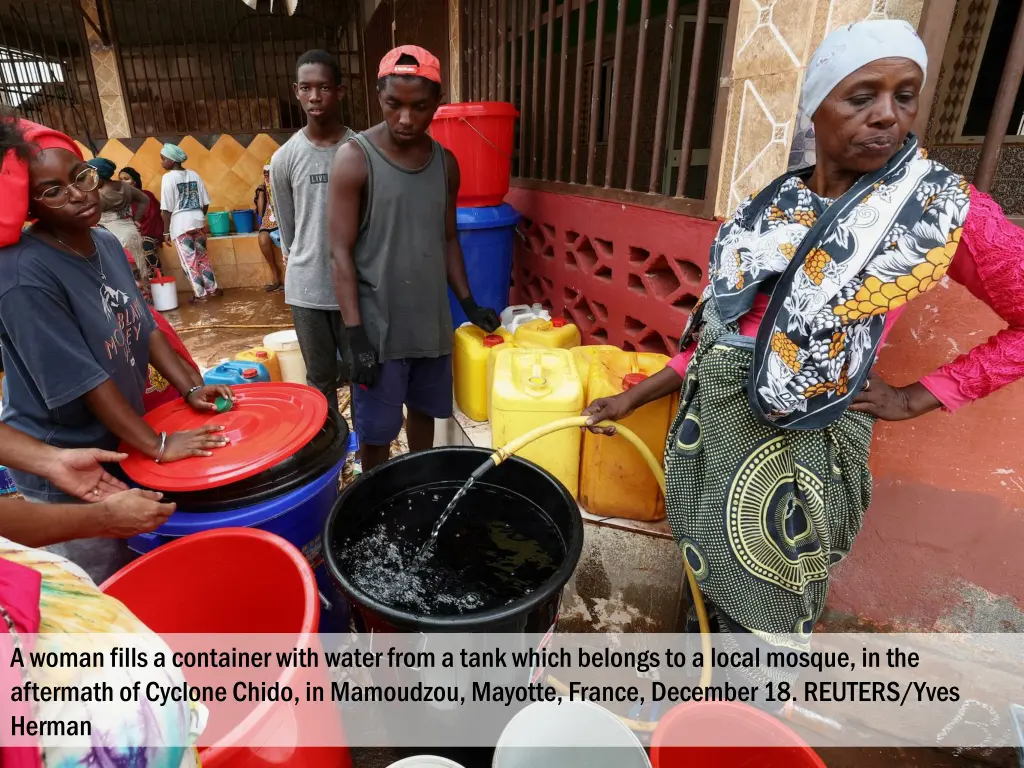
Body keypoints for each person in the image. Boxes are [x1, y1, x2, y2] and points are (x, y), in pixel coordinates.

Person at [583, 20, 1024, 659]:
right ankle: (693, 713)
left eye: (905, 95)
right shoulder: (775, 204)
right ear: (816, 106)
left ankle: (746, 732)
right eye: (861, 96)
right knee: (705, 587)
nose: (886, 116)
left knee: (765, 613)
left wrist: (918, 397)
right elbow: (723, 331)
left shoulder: (936, 211)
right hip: (714, 433)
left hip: (800, 449)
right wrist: (638, 396)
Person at [0, 118, 233, 582]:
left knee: (138, 551)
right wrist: (159, 443)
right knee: (104, 577)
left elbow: (144, 328)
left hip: (119, 440)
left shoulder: (105, 242)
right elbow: (85, 380)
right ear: (28, 205)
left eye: (81, 176)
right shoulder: (24, 276)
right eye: (53, 191)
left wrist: (191, 388)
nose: (78, 194)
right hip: (64, 462)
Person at [329, 46, 501, 472]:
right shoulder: (355, 159)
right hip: (378, 331)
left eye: (419, 107)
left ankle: (417, 483)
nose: (406, 119)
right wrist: (355, 336)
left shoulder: (446, 164)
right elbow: (339, 253)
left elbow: (447, 239)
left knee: (424, 415)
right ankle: (376, 499)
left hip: (429, 324)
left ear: (436, 104)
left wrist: (468, 303)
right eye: (394, 105)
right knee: (376, 433)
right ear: (379, 97)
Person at [270, 50, 354, 417]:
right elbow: (287, 230)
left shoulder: (362, 149)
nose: (315, 97)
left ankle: (370, 455)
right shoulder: (284, 158)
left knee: (365, 374)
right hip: (307, 289)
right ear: (296, 91)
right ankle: (333, 450)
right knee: (320, 380)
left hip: (358, 286)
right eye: (306, 88)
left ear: (340, 91)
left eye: (324, 87)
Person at [159, 142, 221, 303]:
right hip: (198, 221)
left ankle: (200, 295)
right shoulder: (194, 174)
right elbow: (205, 202)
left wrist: (165, 231)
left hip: (181, 225)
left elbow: (166, 208)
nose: (162, 162)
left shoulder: (168, 178)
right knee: (203, 257)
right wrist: (198, 217)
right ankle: (213, 289)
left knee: (190, 262)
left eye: (163, 159)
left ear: (172, 160)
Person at [85, 156, 150, 292]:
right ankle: (148, 304)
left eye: (91, 174)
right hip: (131, 233)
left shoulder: (99, 195)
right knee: (139, 267)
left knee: (124, 273)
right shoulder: (125, 187)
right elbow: (144, 200)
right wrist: (137, 219)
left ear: (98, 176)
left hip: (113, 237)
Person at [119, 165, 165, 295]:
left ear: (134, 181)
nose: (123, 181)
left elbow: (152, 217)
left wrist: (140, 232)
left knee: (145, 245)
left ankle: (156, 285)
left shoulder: (146, 196)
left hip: (149, 232)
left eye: (126, 178)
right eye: (120, 179)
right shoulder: (121, 199)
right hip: (132, 234)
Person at [254, 157, 285, 292]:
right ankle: (275, 274)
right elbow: (260, 213)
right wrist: (262, 193)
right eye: (265, 173)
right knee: (263, 239)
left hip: (285, 219)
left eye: (270, 172)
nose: (267, 175)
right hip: (269, 220)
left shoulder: (284, 185)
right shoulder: (263, 189)